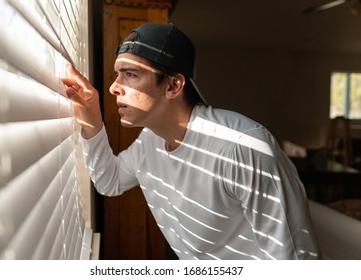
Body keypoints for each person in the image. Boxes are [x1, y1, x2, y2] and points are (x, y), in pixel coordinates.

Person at [61, 23, 321, 260]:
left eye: (130, 74)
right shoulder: (150, 141)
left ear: (173, 86)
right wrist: (91, 119)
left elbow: (294, 259)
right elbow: (110, 181)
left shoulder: (242, 147)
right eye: (117, 74)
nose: (113, 87)